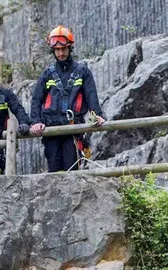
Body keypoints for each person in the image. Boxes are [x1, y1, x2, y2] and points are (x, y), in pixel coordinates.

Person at [29, 25, 106, 172]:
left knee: (72, 169)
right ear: (53, 51)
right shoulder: (48, 74)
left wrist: (97, 115)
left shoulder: (82, 72)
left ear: (70, 48)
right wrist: (36, 121)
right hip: (51, 129)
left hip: (73, 128)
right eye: (57, 50)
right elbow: (36, 99)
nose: (60, 53)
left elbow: (91, 96)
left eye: (63, 49)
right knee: (54, 170)